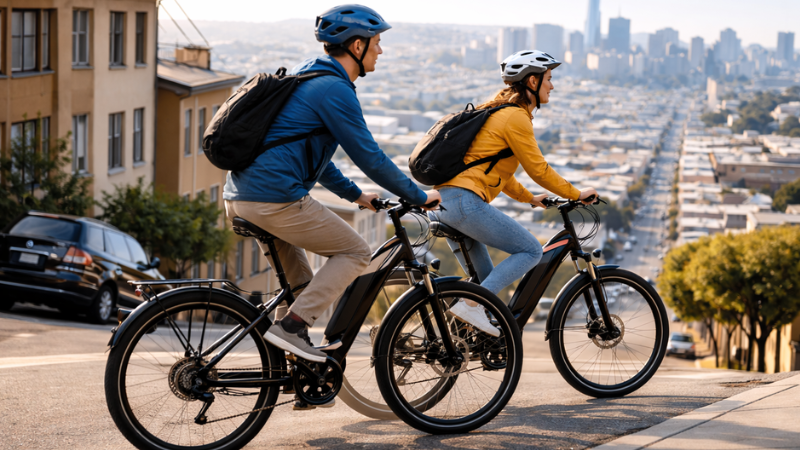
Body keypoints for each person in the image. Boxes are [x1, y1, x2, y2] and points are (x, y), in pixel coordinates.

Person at [223, 5, 447, 367]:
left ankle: (294, 369)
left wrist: (357, 196)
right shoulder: (334, 90)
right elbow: (370, 157)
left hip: (242, 196)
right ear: (356, 46)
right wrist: (418, 196)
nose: (381, 50)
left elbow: (317, 157)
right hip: (274, 197)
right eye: (376, 42)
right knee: (356, 252)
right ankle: (291, 329)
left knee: (301, 286)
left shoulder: (308, 77)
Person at [431, 50, 599, 331]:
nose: (552, 86)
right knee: (531, 251)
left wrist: (530, 198)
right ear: (532, 81)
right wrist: (576, 194)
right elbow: (539, 170)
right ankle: (470, 307)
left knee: (487, 284)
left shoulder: (499, 114)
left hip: (447, 204)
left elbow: (499, 174)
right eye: (549, 78)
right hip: (464, 204)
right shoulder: (515, 117)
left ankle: (465, 338)